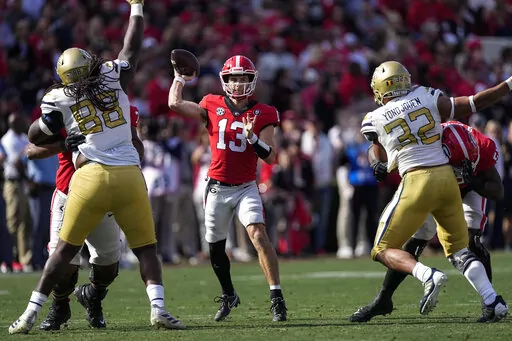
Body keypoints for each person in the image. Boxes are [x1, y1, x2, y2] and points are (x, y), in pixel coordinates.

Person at [9, 0, 185, 334]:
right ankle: (153, 308)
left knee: (79, 256)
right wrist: (136, 7)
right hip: (115, 179)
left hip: (89, 179)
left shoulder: (59, 99)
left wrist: (51, 129)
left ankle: (37, 311)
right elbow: (130, 49)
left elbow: (34, 133)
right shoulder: (111, 78)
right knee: (142, 249)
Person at [358, 61, 510, 319]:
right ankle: (493, 301)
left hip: (418, 179)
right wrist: (507, 84)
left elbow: (376, 147)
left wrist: (378, 164)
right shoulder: (426, 96)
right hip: (446, 179)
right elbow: (475, 103)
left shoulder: (374, 118)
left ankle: (427, 275)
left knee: (381, 248)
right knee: (460, 250)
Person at [168, 55, 287, 322]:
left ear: (251, 80)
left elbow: (270, 157)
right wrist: (179, 79)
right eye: (233, 78)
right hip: (217, 188)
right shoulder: (211, 103)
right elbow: (174, 103)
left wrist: (253, 138)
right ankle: (228, 293)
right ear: (225, 80)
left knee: (257, 234)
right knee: (215, 248)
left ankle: (277, 297)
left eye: (243, 78)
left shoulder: (264, 112)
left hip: (246, 187)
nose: (237, 83)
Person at [24, 105, 141, 330]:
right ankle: (60, 307)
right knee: (63, 262)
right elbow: (31, 150)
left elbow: (136, 144)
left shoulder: (121, 106)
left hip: (104, 194)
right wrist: (62, 144)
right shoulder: (64, 108)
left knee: (109, 263)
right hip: (68, 192)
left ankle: (93, 297)